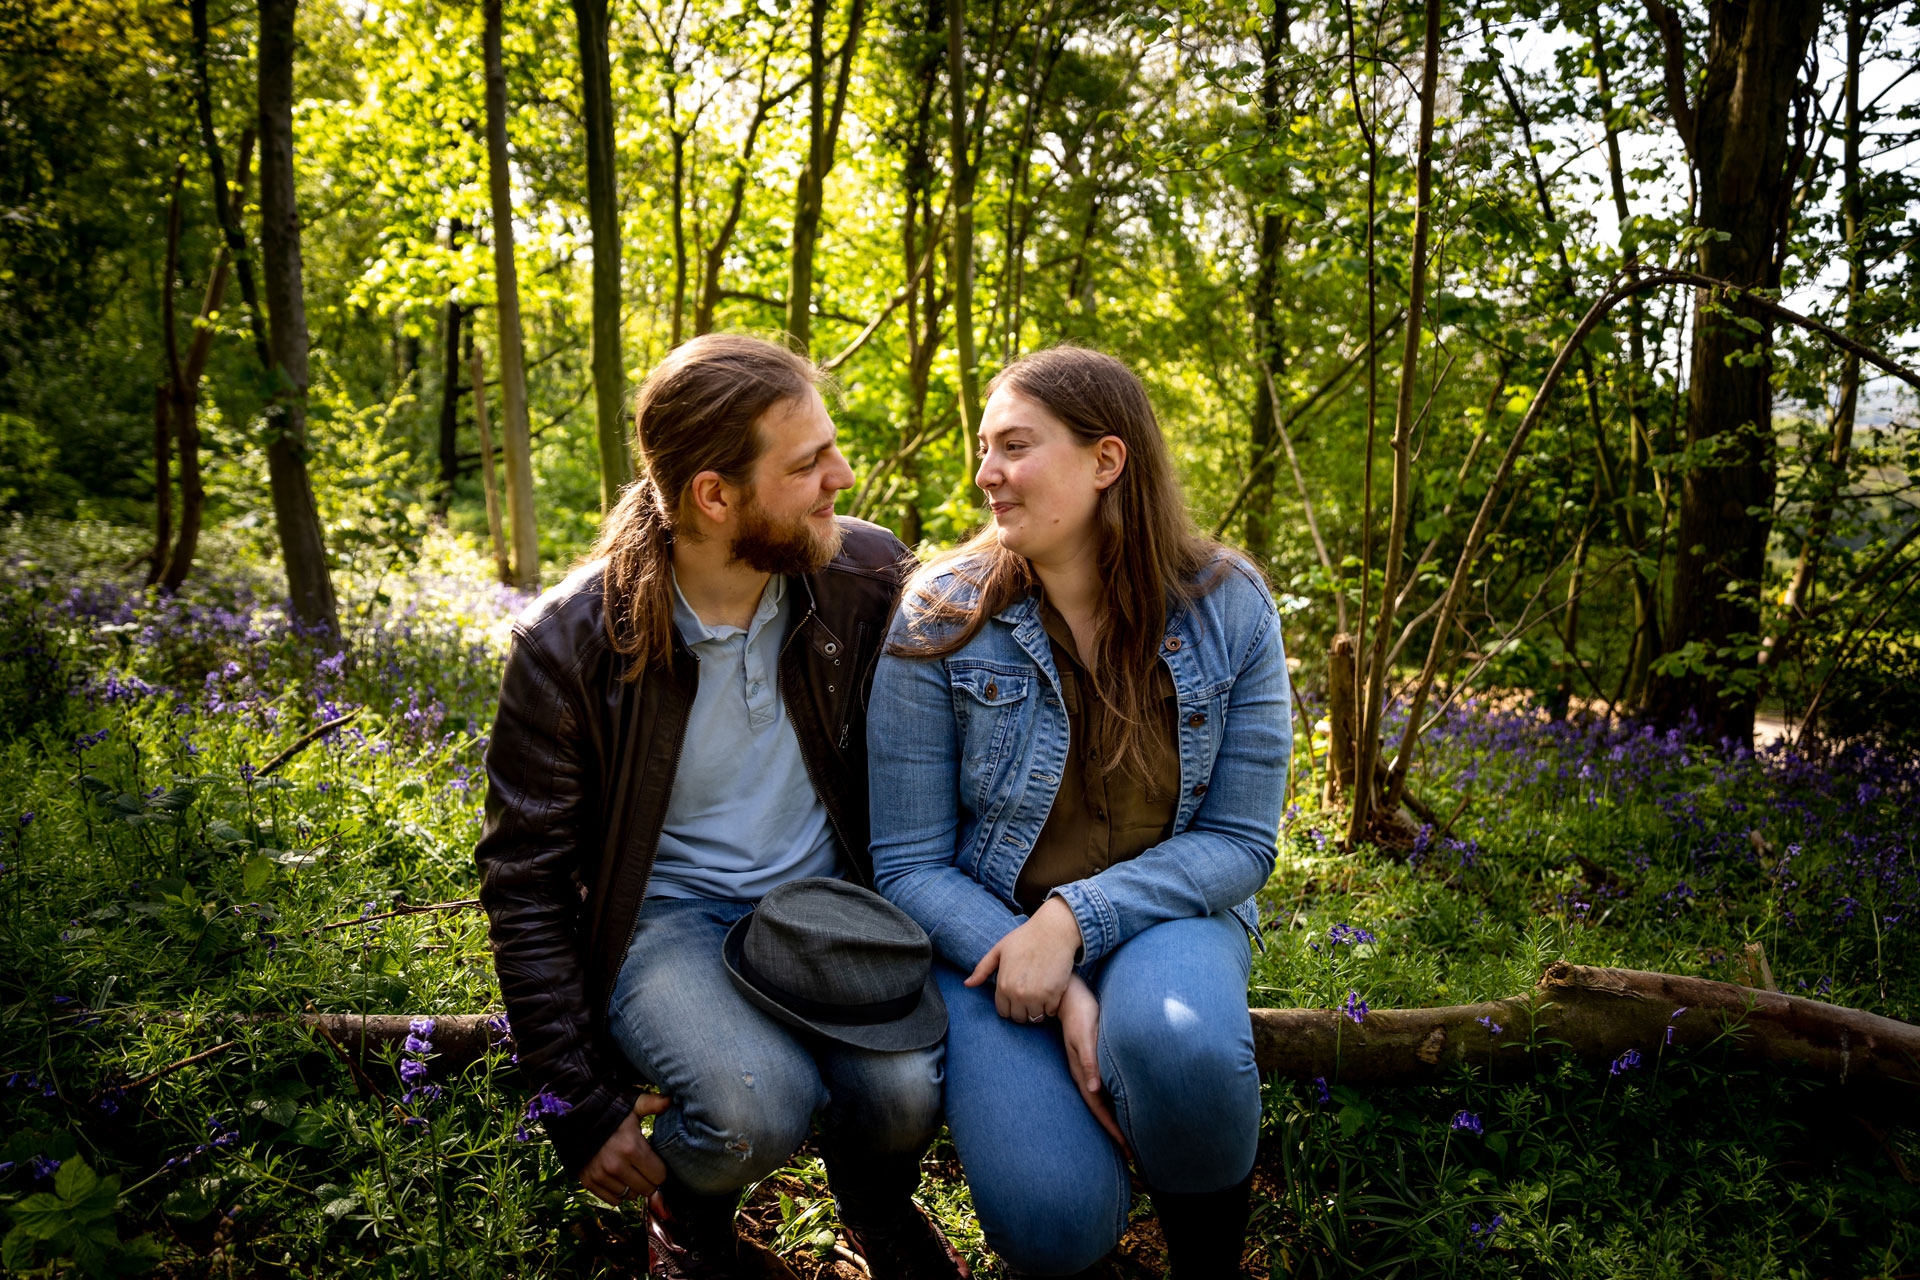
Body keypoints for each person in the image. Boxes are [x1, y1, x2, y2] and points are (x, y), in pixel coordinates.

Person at [476, 334, 968, 1280]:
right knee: (752, 1110)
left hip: (828, 905)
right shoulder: (570, 645)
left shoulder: (863, 579)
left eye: (832, 448)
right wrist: (575, 1098)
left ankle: (875, 1210)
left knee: (906, 1089)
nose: (842, 475)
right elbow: (524, 881)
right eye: (807, 463)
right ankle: (687, 1212)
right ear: (714, 495)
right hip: (665, 920)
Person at [867, 346, 1290, 1277]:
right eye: (984, 449)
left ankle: (1208, 1260)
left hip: (1169, 911)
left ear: (1106, 461)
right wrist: (1052, 969)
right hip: (990, 933)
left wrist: (1078, 920)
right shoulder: (941, 616)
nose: (986, 475)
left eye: (1014, 447)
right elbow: (905, 863)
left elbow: (1242, 842)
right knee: (1051, 1220)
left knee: (1176, 1047)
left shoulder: (1229, 608)